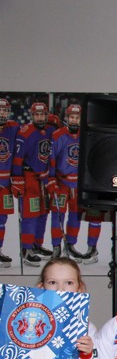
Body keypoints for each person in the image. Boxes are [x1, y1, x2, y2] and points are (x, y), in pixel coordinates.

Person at [48, 104, 99, 262]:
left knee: (75, 216)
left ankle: (70, 245)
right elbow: (51, 159)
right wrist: (51, 180)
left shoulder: (87, 135)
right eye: (71, 117)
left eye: (77, 118)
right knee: (58, 216)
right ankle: (56, 247)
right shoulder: (58, 135)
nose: (74, 120)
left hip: (79, 184)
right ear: (67, 118)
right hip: (61, 183)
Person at [11, 102, 55, 266]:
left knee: (43, 213)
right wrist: (17, 180)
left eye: (42, 114)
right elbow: (17, 158)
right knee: (30, 214)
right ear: (31, 116)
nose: (40, 117)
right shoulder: (25, 133)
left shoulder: (50, 130)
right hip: (29, 178)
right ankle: (26, 249)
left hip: (44, 179)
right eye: (37, 115)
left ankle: (37, 244)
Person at [0, 98, 20, 267]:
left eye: (5, 110)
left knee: (1, 220)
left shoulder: (13, 128)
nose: (2, 113)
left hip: (5, 183)